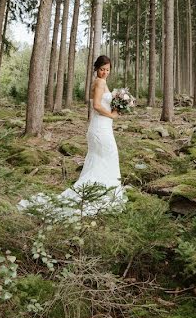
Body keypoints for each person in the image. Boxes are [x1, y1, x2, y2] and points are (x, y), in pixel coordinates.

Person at [17, 55, 126, 216]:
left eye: (108, 70)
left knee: (99, 161)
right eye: (102, 69)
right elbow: (96, 105)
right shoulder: (100, 82)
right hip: (101, 128)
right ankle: (103, 196)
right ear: (96, 68)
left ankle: (98, 192)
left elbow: (102, 102)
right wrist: (112, 115)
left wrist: (120, 103)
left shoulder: (100, 82)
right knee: (108, 157)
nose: (105, 73)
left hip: (100, 127)